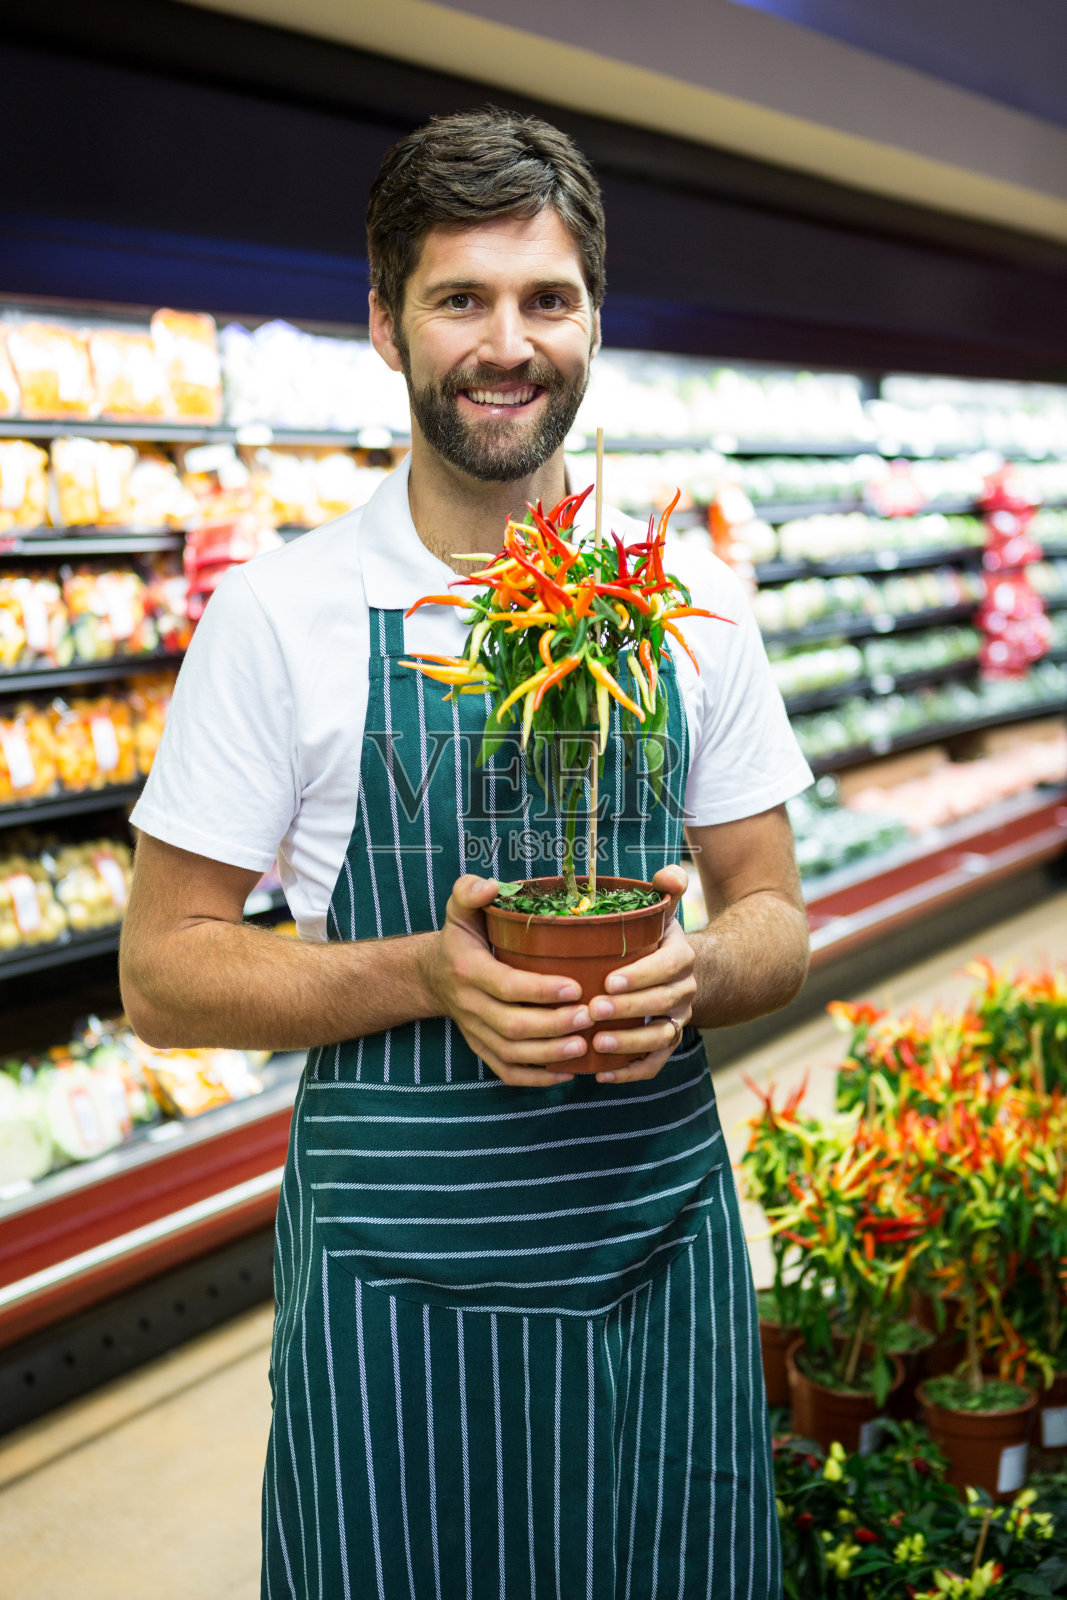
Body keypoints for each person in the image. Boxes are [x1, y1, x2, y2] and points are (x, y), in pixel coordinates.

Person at [120, 107, 812, 1600]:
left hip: (658, 1275)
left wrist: (696, 970)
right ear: (386, 325)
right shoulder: (280, 618)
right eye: (461, 299)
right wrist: (432, 974)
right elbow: (163, 977)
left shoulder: (689, 607)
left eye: (546, 299)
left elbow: (774, 917)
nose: (510, 343)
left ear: (593, 324)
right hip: (394, 1309)